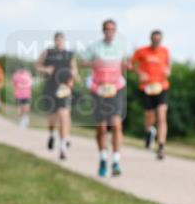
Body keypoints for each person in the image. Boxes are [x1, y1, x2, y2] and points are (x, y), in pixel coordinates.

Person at [82, 19, 131, 176]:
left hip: (116, 88)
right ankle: (103, 158)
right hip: (99, 89)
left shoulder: (121, 47)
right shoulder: (95, 47)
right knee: (102, 128)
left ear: (115, 31)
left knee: (116, 124)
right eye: (106, 29)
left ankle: (116, 161)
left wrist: (127, 66)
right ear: (103, 30)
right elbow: (83, 62)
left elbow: (126, 64)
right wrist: (94, 63)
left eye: (112, 29)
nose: (109, 32)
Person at [36, 32, 79, 160]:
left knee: (64, 115)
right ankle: (51, 134)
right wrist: (45, 69)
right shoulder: (47, 52)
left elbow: (74, 69)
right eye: (57, 40)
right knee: (53, 118)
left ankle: (63, 147)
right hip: (50, 87)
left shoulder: (69, 55)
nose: (59, 42)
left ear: (64, 41)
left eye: (61, 40)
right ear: (54, 41)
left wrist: (75, 75)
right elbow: (37, 65)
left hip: (64, 88)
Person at [131, 29, 172, 160]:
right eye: (154, 39)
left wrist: (168, 71)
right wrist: (140, 73)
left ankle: (161, 147)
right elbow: (131, 65)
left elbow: (168, 67)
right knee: (149, 115)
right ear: (150, 39)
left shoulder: (165, 51)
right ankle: (149, 131)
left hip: (162, 87)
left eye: (158, 39)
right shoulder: (142, 51)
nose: (156, 41)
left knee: (161, 115)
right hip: (147, 87)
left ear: (161, 40)